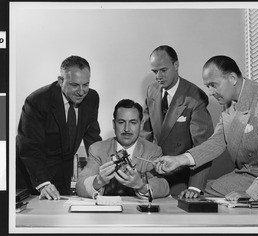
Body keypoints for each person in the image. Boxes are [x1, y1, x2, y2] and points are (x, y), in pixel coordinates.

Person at [154, 55, 258, 202]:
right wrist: (179, 160)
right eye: (208, 86)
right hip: (246, 175)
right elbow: (216, 142)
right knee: (198, 192)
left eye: (213, 85)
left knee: (204, 196)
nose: (210, 92)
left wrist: (252, 194)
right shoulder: (228, 103)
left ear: (232, 78)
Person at [16, 55, 102, 200]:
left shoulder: (92, 98)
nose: (81, 91)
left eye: (86, 84)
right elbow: (29, 146)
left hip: (64, 170)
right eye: (75, 85)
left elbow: (92, 138)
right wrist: (43, 183)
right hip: (33, 174)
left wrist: (102, 173)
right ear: (61, 81)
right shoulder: (37, 101)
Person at [141, 45, 214, 196]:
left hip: (181, 177)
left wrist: (194, 188)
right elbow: (145, 135)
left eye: (163, 70)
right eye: (155, 71)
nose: (158, 76)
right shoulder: (151, 91)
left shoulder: (195, 96)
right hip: (153, 172)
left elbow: (203, 147)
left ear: (176, 65)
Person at [76, 99, 169, 199]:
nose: (127, 129)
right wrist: (98, 181)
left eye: (133, 122)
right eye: (121, 122)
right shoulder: (97, 149)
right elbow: (80, 185)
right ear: (113, 124)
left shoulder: (153, 151)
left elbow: (164, 187)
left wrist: (141, 186)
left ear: (141, 124)